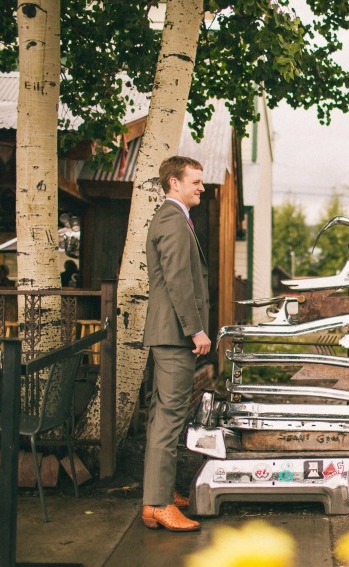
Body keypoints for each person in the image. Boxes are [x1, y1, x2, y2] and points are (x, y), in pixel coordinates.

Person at [141, 155, 211, 532]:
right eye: (195, 181)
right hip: (174, 335)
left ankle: (159, 492)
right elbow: (179, 281)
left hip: (168, 334)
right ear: (174, 183)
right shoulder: (172, 219)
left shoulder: (174, 218)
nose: (201, 187)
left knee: (162, 417)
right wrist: (195, 330)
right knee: (169, 419)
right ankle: (157, 503)